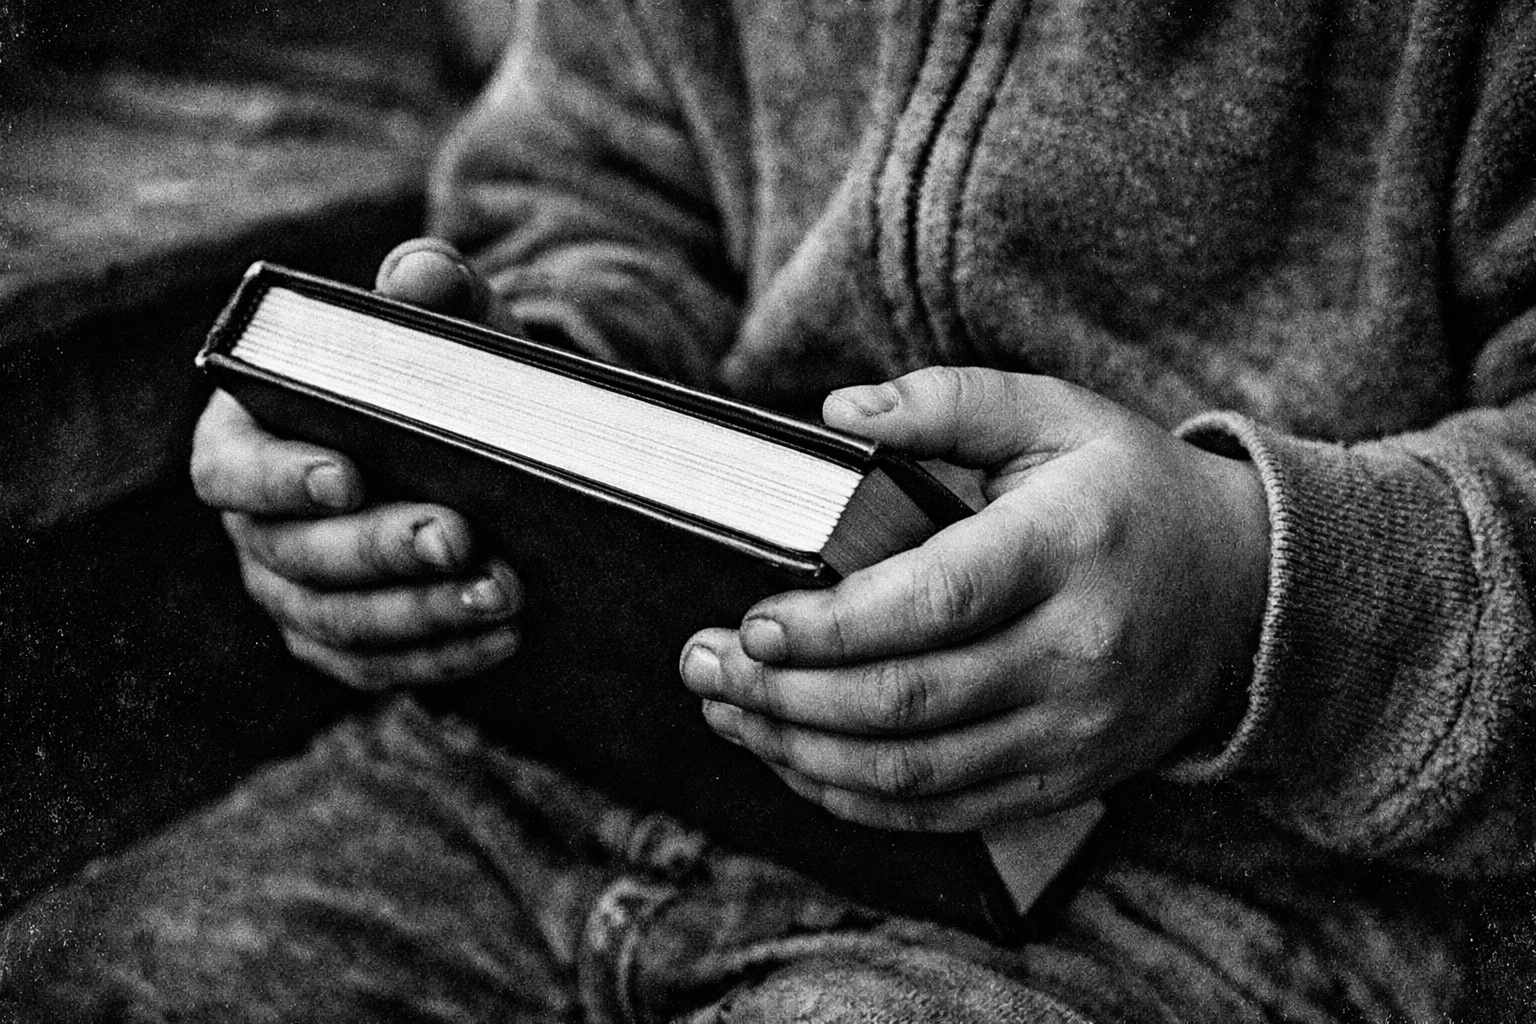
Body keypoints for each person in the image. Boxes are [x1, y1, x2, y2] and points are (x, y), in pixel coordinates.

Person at [4, 0, 1534, 1019]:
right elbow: (593, 190)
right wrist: (509, 404)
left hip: (1197, 912)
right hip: (555, 768)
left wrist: (1256, 591)